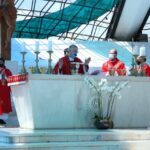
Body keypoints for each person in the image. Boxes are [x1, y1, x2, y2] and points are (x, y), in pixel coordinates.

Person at [0, 58, 12, 125]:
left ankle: (2, 119)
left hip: (5, 91)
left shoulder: (7, 71)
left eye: (1, 62)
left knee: (4, 104)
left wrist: (5, 74)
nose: (0, 63)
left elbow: (10, 80)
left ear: (4, 63)